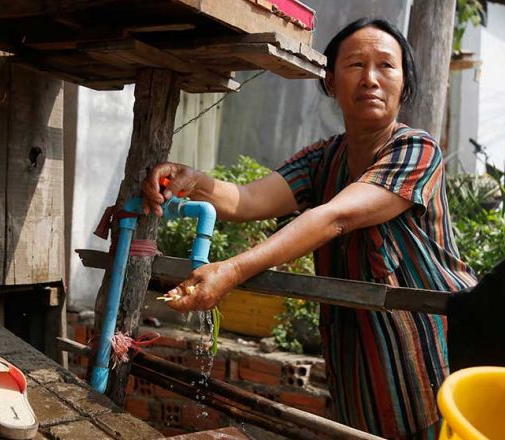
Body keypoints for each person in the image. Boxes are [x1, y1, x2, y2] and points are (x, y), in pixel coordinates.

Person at [142, 18, 477, 439]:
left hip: (426, 356)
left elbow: (336, 217)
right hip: (356, 361)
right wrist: (195, 180)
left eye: (386, 66)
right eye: (355, 65)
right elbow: (247, 200)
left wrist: (231, 270)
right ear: (331, 82)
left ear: (404, 84)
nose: (371, 79)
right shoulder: (324, 159)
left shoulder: (415, 150)